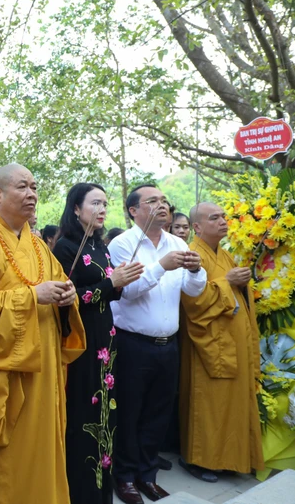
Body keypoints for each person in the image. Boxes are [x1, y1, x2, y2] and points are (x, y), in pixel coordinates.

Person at [0, 163, 86, 504]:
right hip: (7, 377)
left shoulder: (39, 246)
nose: (32, 194)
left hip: (44, 373)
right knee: (8, 467)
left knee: (44, 453)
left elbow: (56, 285)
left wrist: (66, 297)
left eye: (34, 187)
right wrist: (31, 296)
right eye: (22, 187)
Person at [108, 184, 207, 504]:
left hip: (168, 344)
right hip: (133, 344)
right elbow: (128, 290)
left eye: (164, 200)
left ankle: (148, 476)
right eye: (152, 201)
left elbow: (193, 290)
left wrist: (195, 270)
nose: (162, 205)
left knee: (158, 414)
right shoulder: (123, 244)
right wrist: (162, 265)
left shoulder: (177, 241)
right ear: (133, 211)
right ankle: (124, 478)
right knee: (129, 412)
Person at [53, 183, 144, 504]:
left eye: (105, 203)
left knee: (108, 410)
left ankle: (103, 489)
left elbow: (107, 290)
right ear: (76, 208)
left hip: (107, 339)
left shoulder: (100, 246)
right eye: (95, 203)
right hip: (83, 340)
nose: (102, 209)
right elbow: (69, 298)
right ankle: (81, 491)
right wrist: (111, 282)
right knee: (84, 412)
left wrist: (121, 279)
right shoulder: (64, 248)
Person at [178, 202, 263, 481]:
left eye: (224, 216)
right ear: (198, 227)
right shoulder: (192, 255)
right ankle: (199, 460)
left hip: (232, 343)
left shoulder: (224, 255)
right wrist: (228, 282)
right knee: (209, 405)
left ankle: (230, 458)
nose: (223, 222)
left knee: (232, 404)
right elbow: (194, 303)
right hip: (209, 346)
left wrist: (240, 282)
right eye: (214, 218)